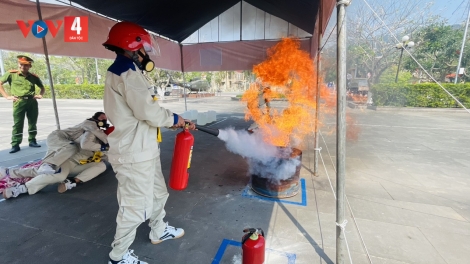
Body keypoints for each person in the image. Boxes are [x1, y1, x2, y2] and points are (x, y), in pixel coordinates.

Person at [102, 21, 196, 264]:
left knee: (157, 193)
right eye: (143, 47)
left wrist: (175, 120)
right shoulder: (127, 73)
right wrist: (176, 119)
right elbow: (149, 112)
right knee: (134, 206)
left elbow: (148, 107)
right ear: (133, 46)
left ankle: (158, 230)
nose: (146, 53)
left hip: (144, 149)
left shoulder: (129, 71)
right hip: (133, 153)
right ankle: (118, 256)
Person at [1, 124, 109, 199]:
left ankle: (72, 182)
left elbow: (113, 159)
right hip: (65, 160)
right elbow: (85, 145)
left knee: (101, 166)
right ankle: (22, 188)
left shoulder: (110, 146)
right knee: (57, 175)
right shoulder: (90, 135)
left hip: (77, 166)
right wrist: (104, 147)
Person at [36, 112, 109, 175]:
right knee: (71, 148)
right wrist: (110, 143)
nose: (103, 120)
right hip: (57, 136)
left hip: (60, 139)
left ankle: (28, 172)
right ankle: (48, 164)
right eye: (102, 117)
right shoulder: (90, 123)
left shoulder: (90, 126)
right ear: (96, 117)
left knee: (50, 159)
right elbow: (98, 132)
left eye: (105, 119)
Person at [0, 55, 45, 154]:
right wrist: (7, 96)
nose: (23, 67)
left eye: (26, 65)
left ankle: (32, 141)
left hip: (32, 102)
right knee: (18, 124)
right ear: (18, 64)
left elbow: (42, 88)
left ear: (30, 66)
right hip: (19, 102)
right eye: (21, 65)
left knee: (32, 122)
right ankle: (15, 144)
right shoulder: (11, 74)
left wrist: (40, 95)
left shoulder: (33, 77)